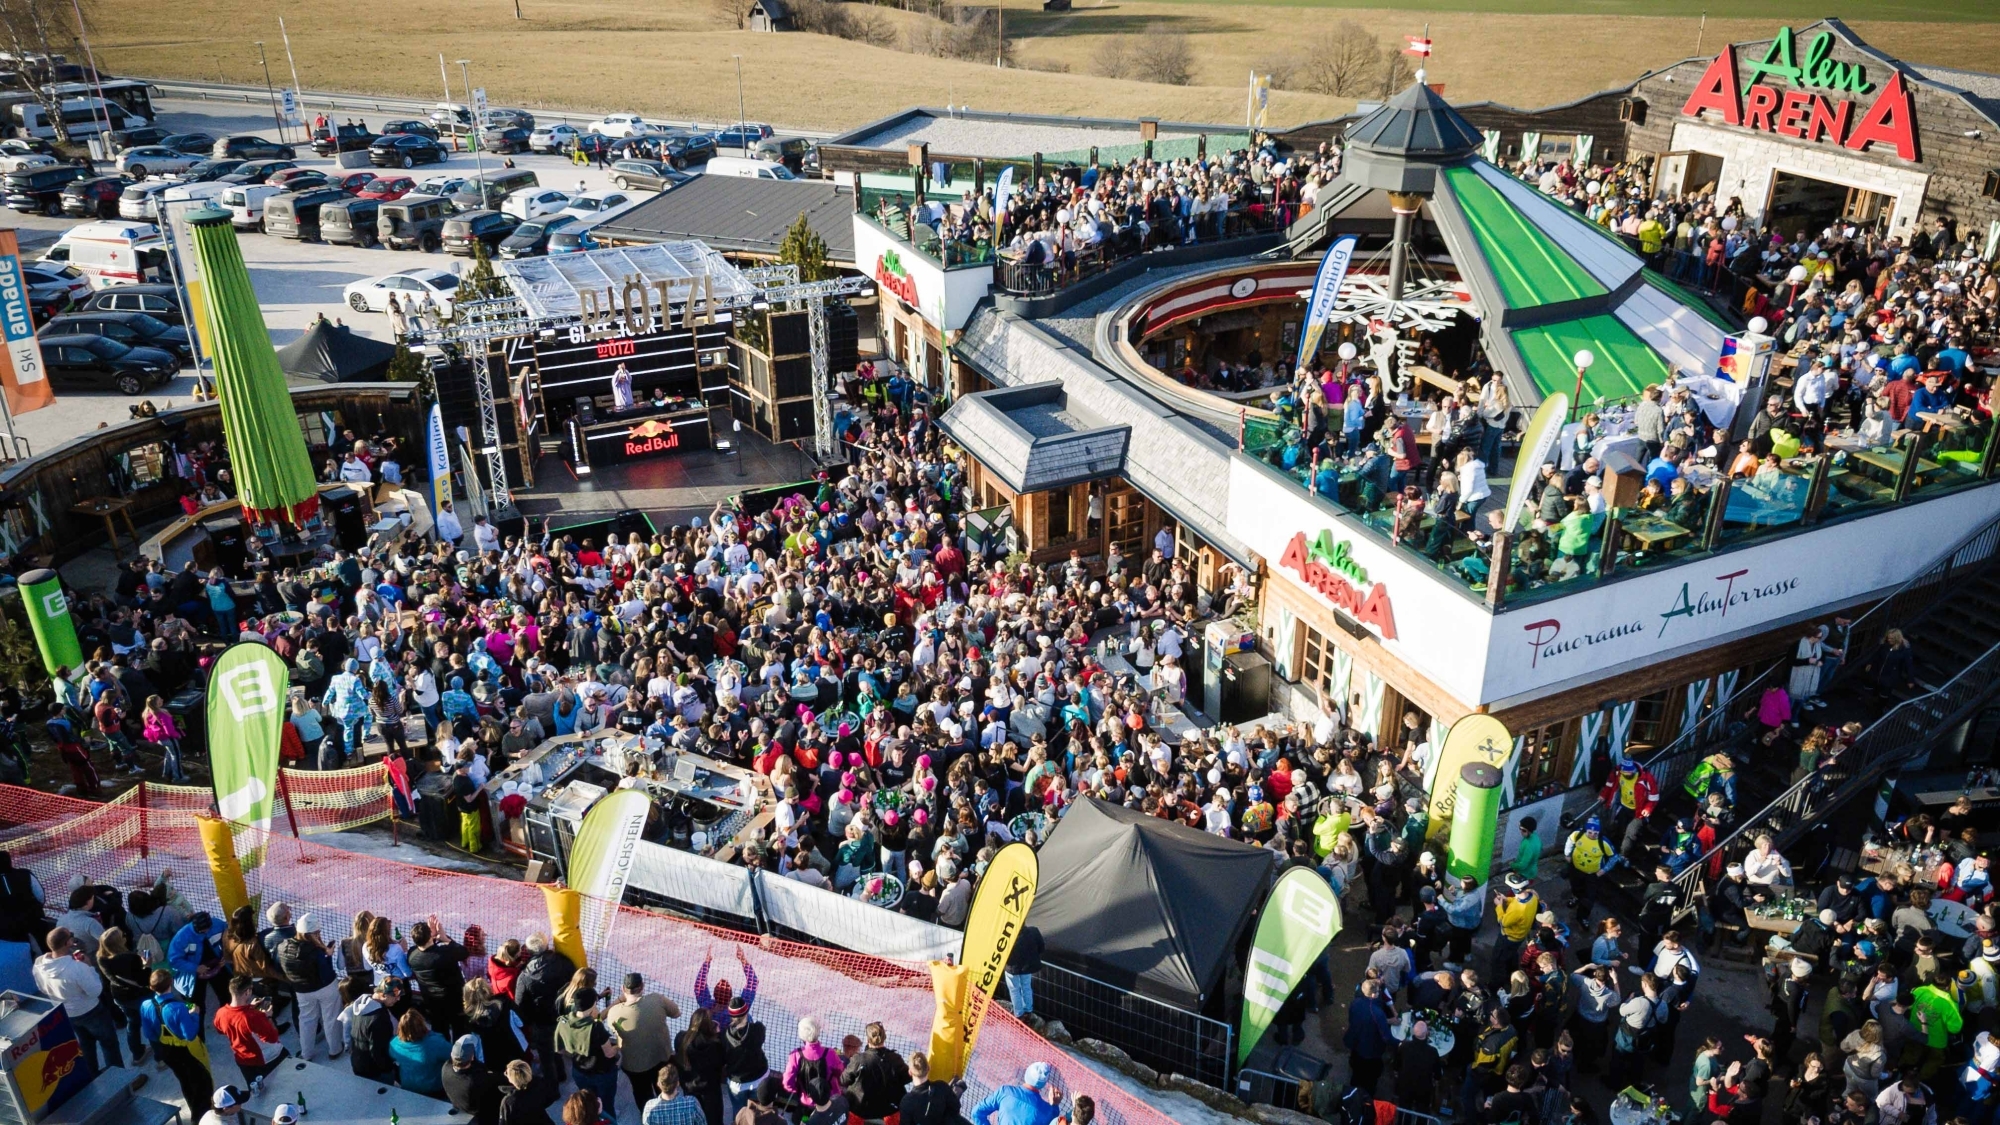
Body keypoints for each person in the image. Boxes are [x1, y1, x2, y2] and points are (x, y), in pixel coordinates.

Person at [34, 926, 122, 1071]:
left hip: (68, 1014)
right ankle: (118, 1077)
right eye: (71, 936)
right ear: (68, 943)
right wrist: (88, 967)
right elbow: (95, 991)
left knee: (86, 1046)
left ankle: (92, 1076)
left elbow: (42, 988)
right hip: (92, 1011)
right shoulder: (77, 968)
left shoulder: (39, 964)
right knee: (109, 1044)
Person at [609, 972, 683, 1119]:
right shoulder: (656, 999)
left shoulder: (614, 1012)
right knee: (663, 1088)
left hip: (634, 1065)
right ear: (642, 986)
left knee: (641, 1092)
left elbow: (614, 1029)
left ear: (623, 989)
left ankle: (648, 1117)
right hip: (660, 1058)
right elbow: (676, 1013)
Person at [142, 967, 214, 1112]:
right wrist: (195, 1014)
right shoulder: (178, 1008)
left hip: (166, 1051)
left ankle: (194, 1108)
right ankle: (204, 1114)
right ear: (172, 983)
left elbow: (149, 1034)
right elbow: (190, 1034)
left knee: (184, 1081)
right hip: (187, 1050)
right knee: (203, 1081)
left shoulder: (146, 1005)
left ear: (151, 987)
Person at [276, 913, 345, 1061]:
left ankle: (306, 1054)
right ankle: (335, 1049)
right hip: (325, 987)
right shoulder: (316, 952)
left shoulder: (282, 946)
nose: (319, 935)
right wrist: (328, 955)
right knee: (331, 1018)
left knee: (306, 1020)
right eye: (317, 933)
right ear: (312, 934)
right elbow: (325, 972)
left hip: (302, 991)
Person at [213, 974, 287, 1086]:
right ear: (247, 992)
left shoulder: (221, 1013)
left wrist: (251, 1008)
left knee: (259, 1091)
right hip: (268, 1058)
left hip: (242, 1060)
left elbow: (220, 1030)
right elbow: (272, 1037)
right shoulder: (254, 1017)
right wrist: (267, 1017)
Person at [558, 988, 622, 1116]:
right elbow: (609, 1053)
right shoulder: (596, 1028)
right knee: (606, 1103)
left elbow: (561, 1049)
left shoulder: (564, 1021)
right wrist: (620, 1042)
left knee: (588, 1102)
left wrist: (576, 1054)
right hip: (602, 1074)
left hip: (579, 1072)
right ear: (593, 1004)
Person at [840, 1022, 909, 1125]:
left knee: (852, 1115)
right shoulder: (895, 1058)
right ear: (884, 1038)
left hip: (861, 1108)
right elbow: (907, 1078)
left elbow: (843, 1080)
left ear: (868, 1040)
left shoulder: (858, 1060)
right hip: (889, 1108)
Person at [341, 975, 406, 1081]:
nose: (398, 999)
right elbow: (378, 1051)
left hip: (358, 1062)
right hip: (374, 1072)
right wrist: (389, 1069)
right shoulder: (379, 1019)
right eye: (395, 996)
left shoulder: (361, 1004)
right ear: (384, 995)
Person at [783, 1016, 845, 1118]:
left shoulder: (796, 1055)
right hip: (828, 1101)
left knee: (806, 1119)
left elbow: (787, 1083)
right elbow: (841, 1073)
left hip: (806, 1102)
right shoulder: (830, 1053)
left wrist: (797, 1089)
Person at [720, 995, 769, 1123]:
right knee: (757, 1113)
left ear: (731, 1015)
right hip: (758, 1080)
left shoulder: (724, 1036)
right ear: (746, 1012)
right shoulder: (757, 1029)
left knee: (739, 1113)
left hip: (737, 1083)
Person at [969, 1062, 1061, 1125]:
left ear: (1027, 1073)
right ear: (1044, 1084)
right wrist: (1054, 1105)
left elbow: (976, 1112)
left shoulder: (1004, 1092)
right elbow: (1054, 1122)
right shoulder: (1047, 1111)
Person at [390, 1008, 453, 1096]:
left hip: (408, 1087)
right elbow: (453, 1055)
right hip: (434, 1089)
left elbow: (391, 1055)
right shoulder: (436, 1043)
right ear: (422, 1024)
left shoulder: (394, 1044)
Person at [898, 1053, 958, 1125]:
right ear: (928, 1068)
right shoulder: (942, 1087)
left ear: (910, 1072)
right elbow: (955, 1108)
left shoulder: (907, 1101)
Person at [501, 1059, 559, 1125]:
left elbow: (504, 1122)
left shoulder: (509, 1101)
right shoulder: (539, 1083)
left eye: (507, 1073)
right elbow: (550, 1098)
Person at [1004, 925, 1043, 1021]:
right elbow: (1041, 947)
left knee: (1014, 990)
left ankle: (1018, 1014)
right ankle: (1028, 1010)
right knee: (1026, 987)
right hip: (1027, 966)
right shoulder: (1033, 931)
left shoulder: (1006, 935)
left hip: (1011, 967)